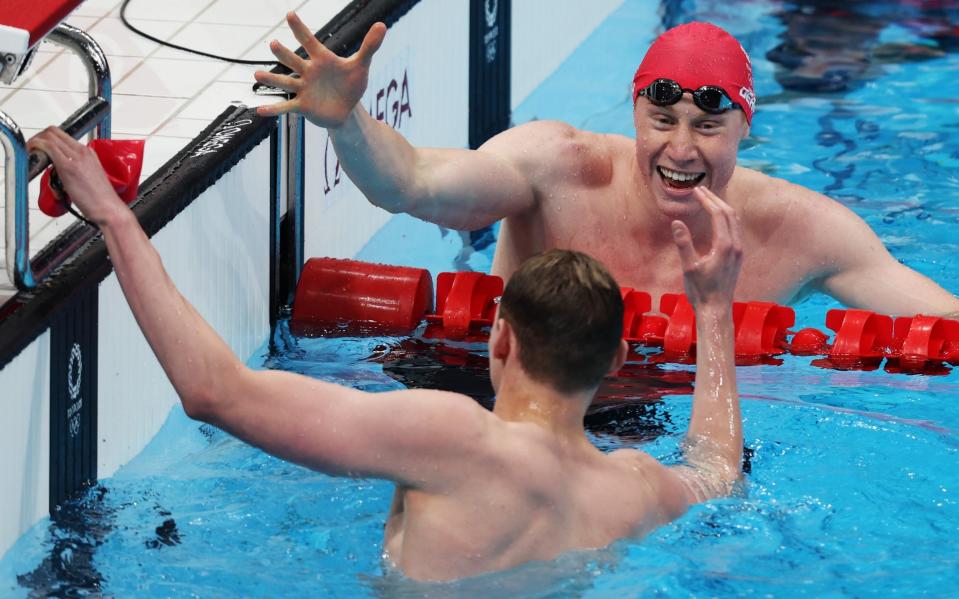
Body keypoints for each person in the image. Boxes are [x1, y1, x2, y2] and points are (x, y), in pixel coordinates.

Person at [30, 127, 744, 582]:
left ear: (499, 338)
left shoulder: (457, 438)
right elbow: (717, 469)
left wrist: (115, 217)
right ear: (617, 356)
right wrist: (712, 311)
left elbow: (214, 391)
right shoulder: (635, 488)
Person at [255, 14, 959, 317]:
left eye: (708, 126)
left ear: (746, 127)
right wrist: (345, 121)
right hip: (506, 392)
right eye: (662, 121)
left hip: (664, 431)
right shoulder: (554, 166)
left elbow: (943, 321)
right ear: (632, 113)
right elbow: (410, 184)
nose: (680, 150)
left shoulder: (806, 230)